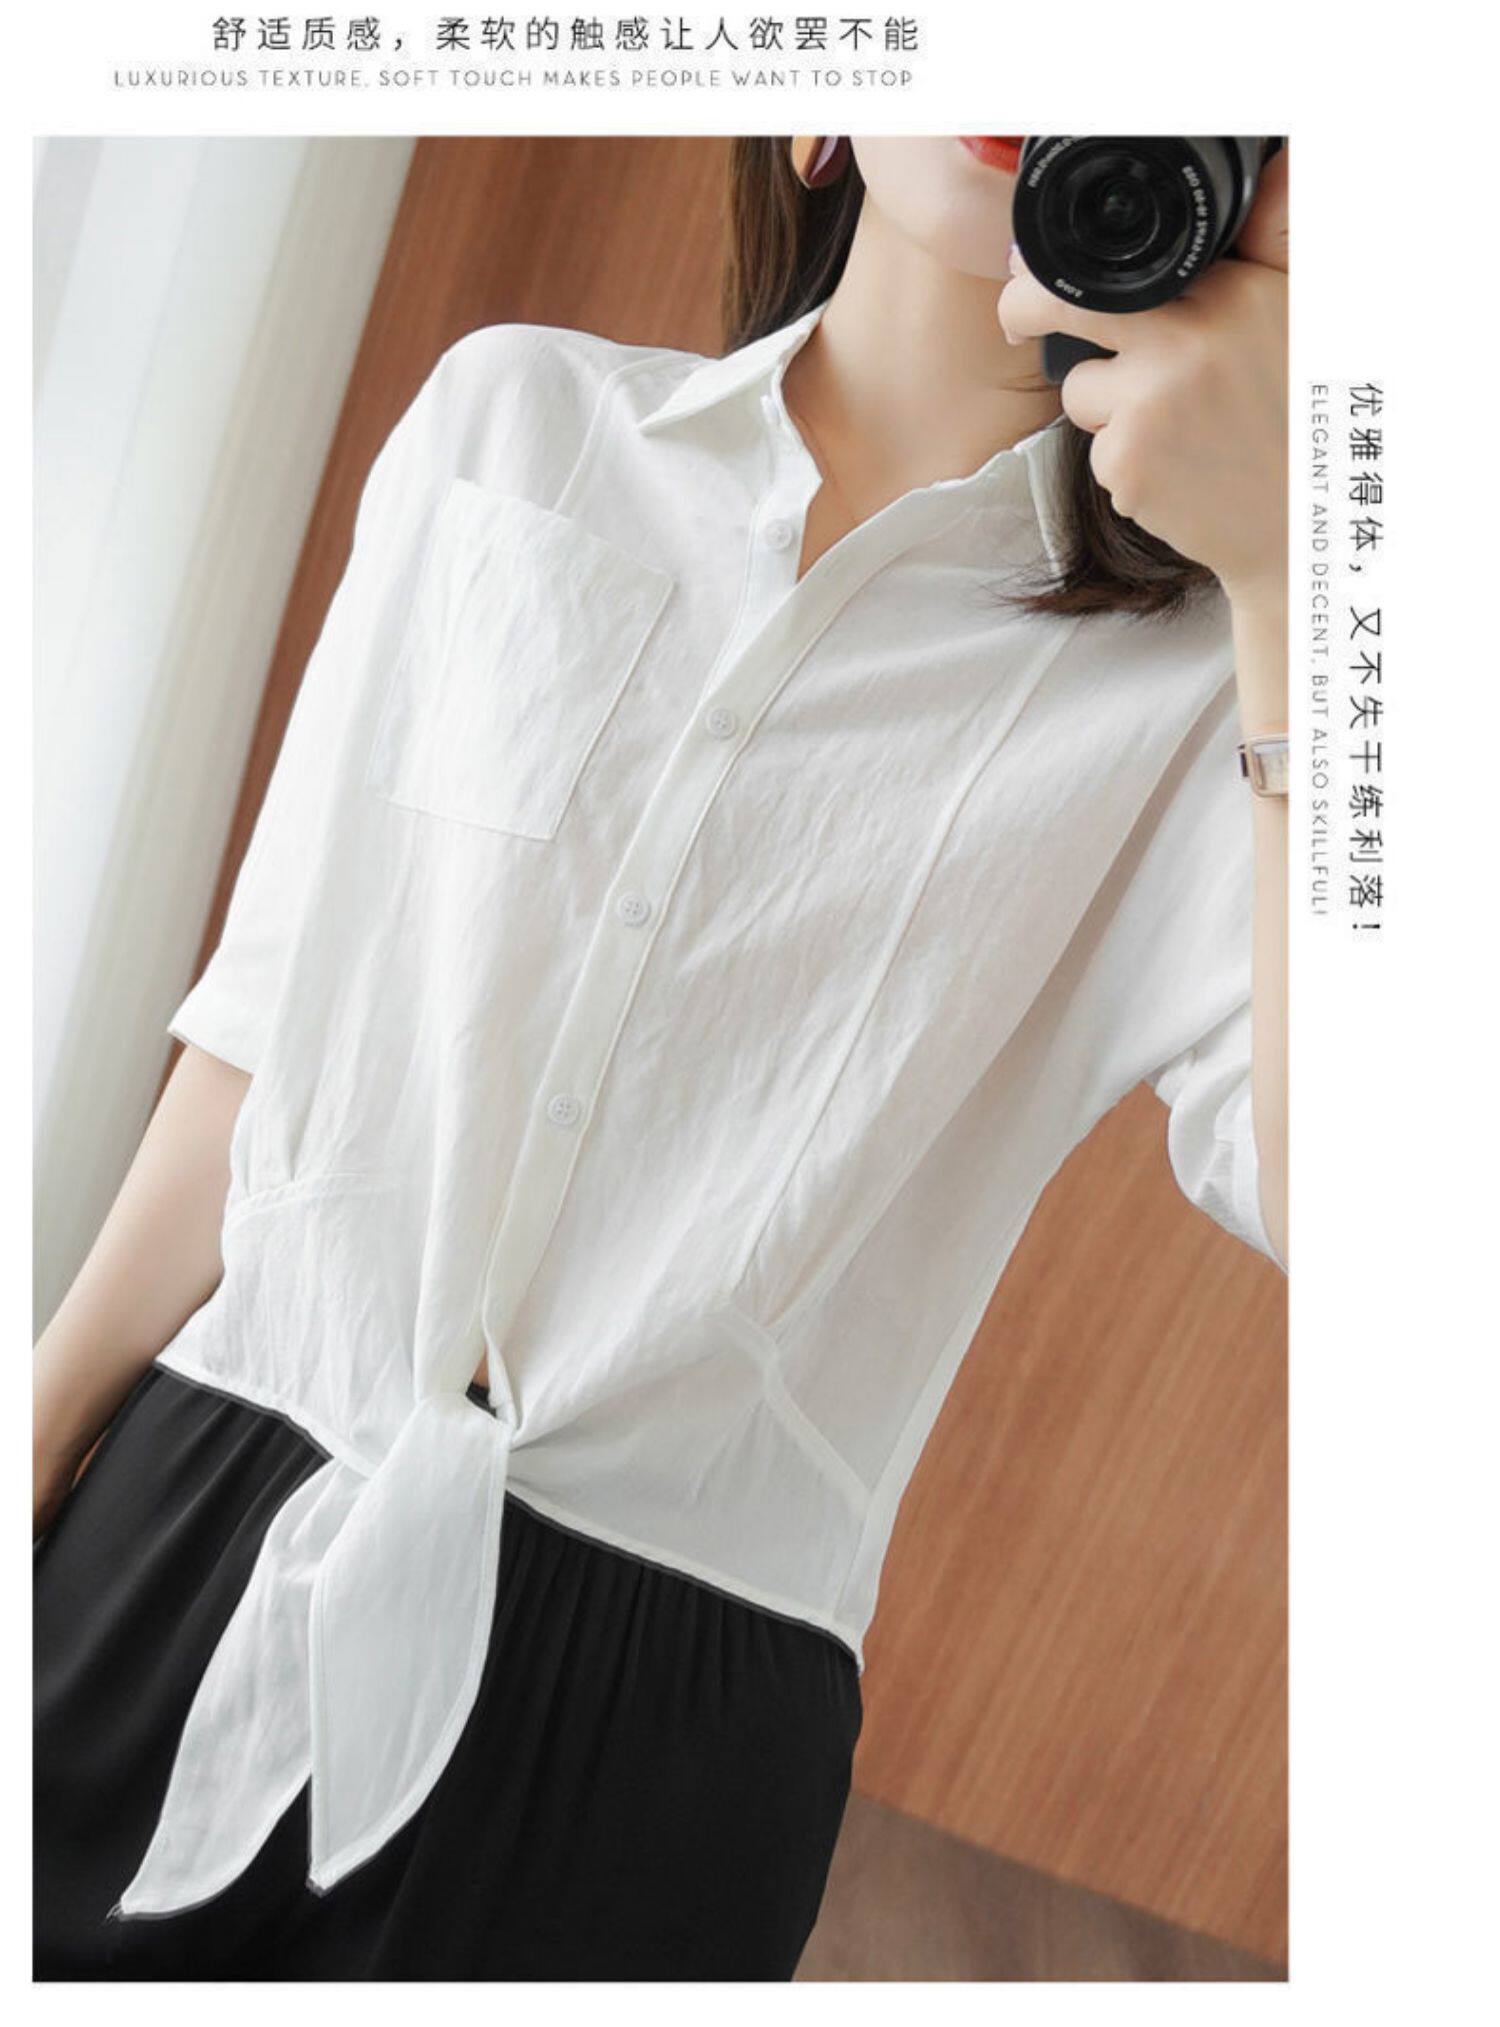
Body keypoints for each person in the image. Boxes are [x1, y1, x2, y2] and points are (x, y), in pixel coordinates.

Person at [33, 133, 1289, 1981]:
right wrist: (36, 1438)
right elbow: (267, 1032)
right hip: (204, 1503)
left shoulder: (1216, 687)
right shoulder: (517, 420)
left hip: (665, 1712)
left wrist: (1304, 596)